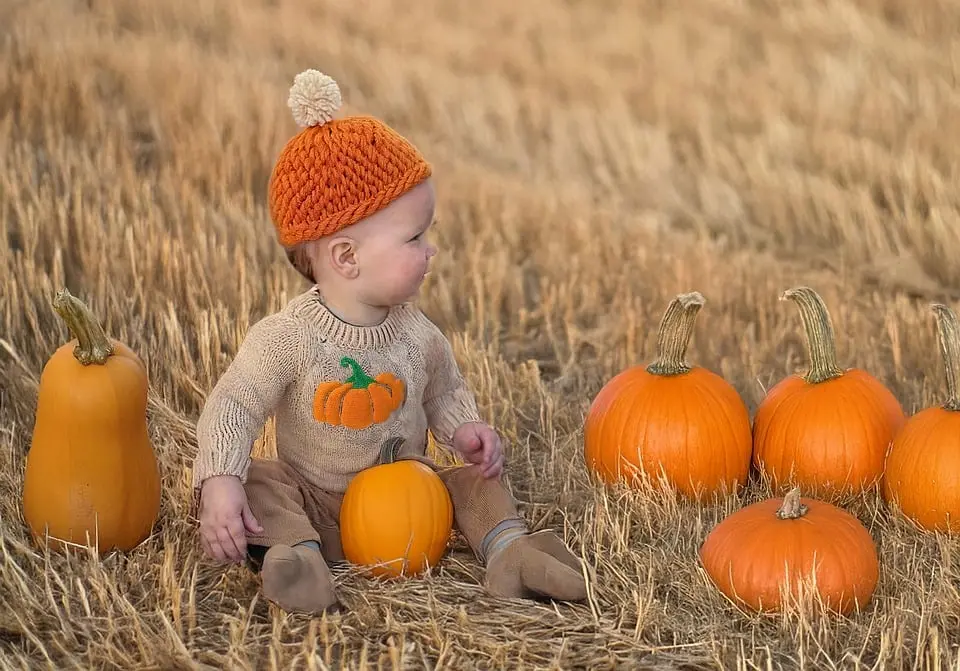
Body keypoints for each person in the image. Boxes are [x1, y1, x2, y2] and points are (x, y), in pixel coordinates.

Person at [191, 69, 588, 614]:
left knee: (477, 481)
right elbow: (234, 403)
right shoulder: (289, 338)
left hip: (411, 499)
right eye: (415, 237)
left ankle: (510, 553)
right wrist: (219, 480)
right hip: (318, 502)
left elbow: (444, 390)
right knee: (260, 481)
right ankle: (300, 558)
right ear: (347, 258)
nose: (432, 250)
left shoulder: (416, 333)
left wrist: (465, 430)